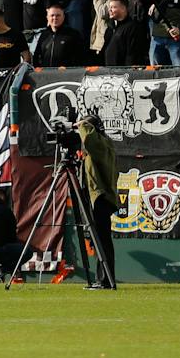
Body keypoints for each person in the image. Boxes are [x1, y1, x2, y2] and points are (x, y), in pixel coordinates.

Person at [77, 112, 118, 289]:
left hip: (100, 197)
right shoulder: (101, 145)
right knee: (99, 240)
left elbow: (90, 138)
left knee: (102, 240)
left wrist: (81, 125)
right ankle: (103, 279)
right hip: (99, 197)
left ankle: (105, 280)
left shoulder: (100, 145)